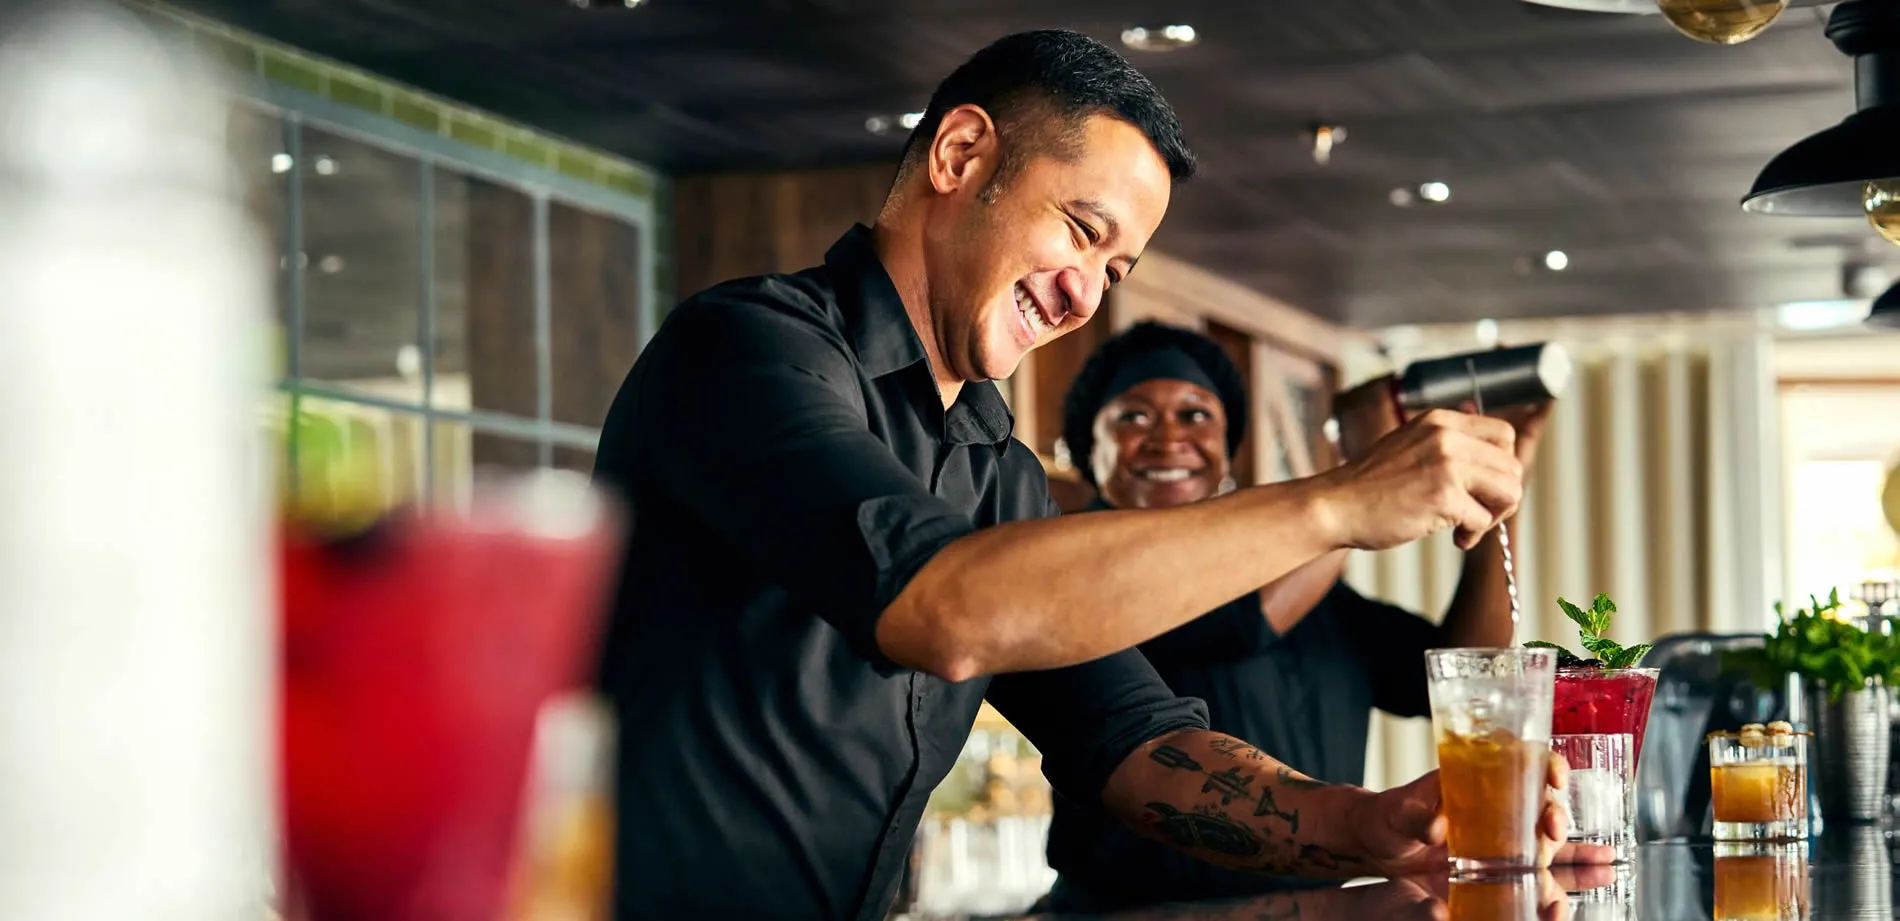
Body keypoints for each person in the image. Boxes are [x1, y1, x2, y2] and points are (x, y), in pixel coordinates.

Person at [592, 29, 1594, 921]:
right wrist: (1335, 501)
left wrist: (1368, 823)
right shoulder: (745, 348)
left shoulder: (996, 472)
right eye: (1080, 229)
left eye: (1115, 271)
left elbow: (1134, 744)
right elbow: (941, 609)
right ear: (959, 154)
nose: (1081, 294)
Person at [1039, 322, 1553, 911]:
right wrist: (1363, 475)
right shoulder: (1085, 573)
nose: (1169, 438)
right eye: (1133, 417)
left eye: (1196, 414)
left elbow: (1468, 670)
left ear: (1227, 446)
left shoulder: (1309, 590)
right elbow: (1244, 620)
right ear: (1087, 448)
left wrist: (1497, 490)